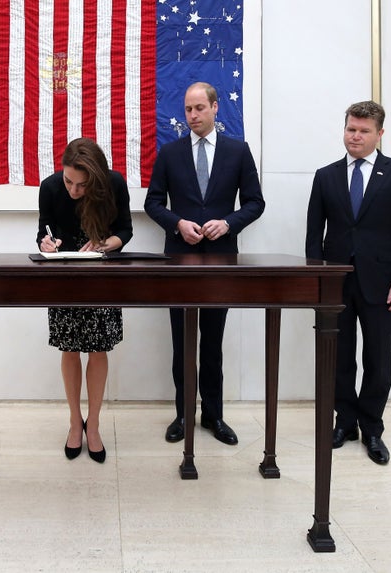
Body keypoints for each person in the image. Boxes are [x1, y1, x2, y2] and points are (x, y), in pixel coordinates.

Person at [144, 82, 265, 445]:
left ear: (215, 108)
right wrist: (177, 223)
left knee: (212, 342)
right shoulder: (169, 152)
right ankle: (183, 415)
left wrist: (228, 222)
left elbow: (255, 203)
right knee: (182, 343)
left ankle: (214, 416)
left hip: (220, 262)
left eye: (199, 108)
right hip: (178, 261)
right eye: (187, 110)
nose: (192, 116)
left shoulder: (238, 152)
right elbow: (153, 203)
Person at [305, 100, 391, 465]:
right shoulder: (325, 176)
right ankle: (345, 421)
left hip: (382, 282)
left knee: (377, 357)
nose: (355, 136)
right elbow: (313, 235)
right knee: (338, 357)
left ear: (379, 134)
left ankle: (372, 427)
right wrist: (317, 279)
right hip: (336, 282)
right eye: (350, 129)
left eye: (363, 131)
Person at [37, 137, 133, 463]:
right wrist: (46, 245)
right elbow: (42, 234)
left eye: (82, 185)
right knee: (69, 347)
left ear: (95, 178)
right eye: (68, 181)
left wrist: (105, 244)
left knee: (98, 348)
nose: (74, 190)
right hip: (64, 278)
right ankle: (74, 421)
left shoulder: (114, 183)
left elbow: (126, 231)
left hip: (101, 275)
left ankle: (94, 424)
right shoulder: (50, 188)